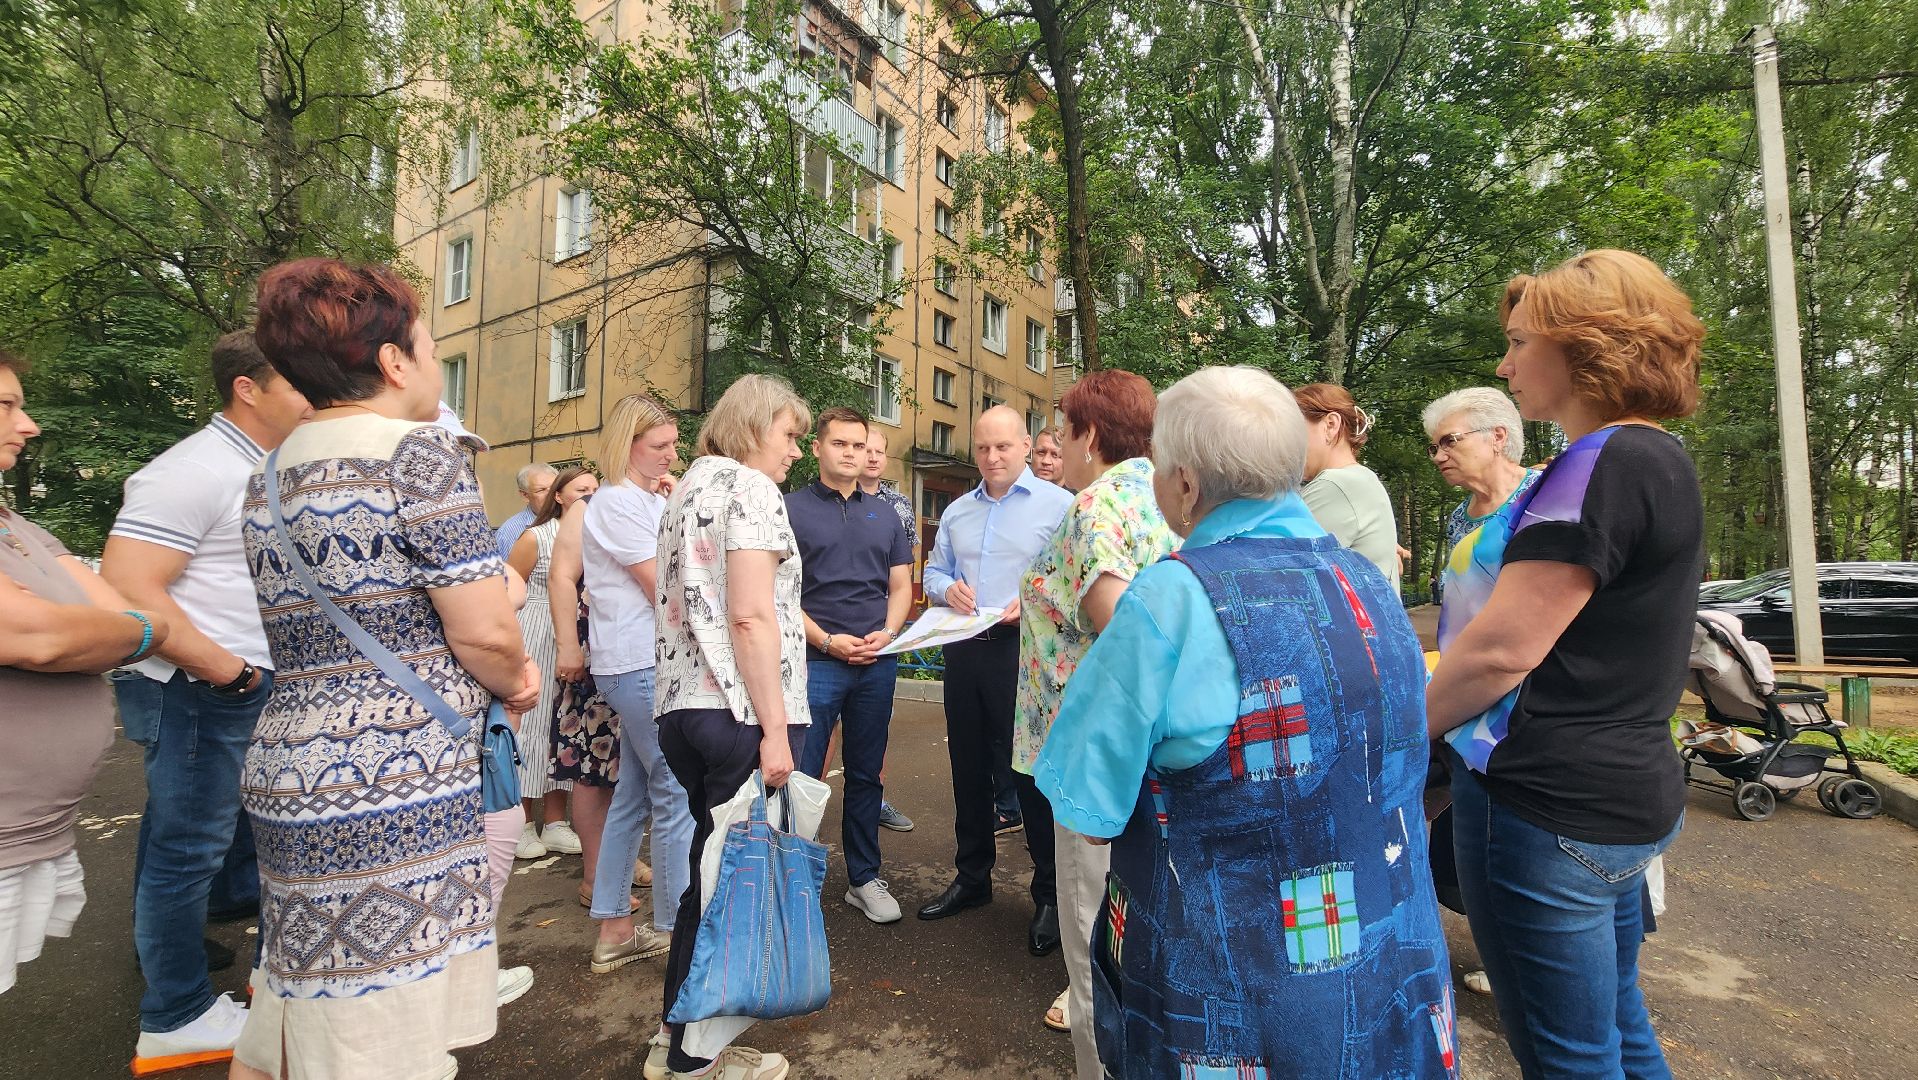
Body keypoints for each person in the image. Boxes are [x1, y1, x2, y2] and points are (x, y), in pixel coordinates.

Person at [1033, 365, 1456, 1079]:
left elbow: (1085, 797)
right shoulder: (1371, 585)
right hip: (1389, 977)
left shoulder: (1170, 599)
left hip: (1230, 1010)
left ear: (1186, 485)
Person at [230, 257, 540, 1080]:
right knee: (384, 1040)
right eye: (430, 348)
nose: (434, 366)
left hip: (291, 768)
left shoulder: (269, 473)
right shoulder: (419, 456)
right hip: (392, 777)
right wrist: (517, 680)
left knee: (296, 1014)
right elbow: (484, 631)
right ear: (395, 362)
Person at [1427, 249, 1705, 1080]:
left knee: (1567, 1058)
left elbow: (1504, 649)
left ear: (1587, 345)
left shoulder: (1594, 465)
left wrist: (1393, 728)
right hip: (1621, 795)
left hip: (1548, 806)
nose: (1505, 366)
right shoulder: (1657, 456)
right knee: (1618, 1031)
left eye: (1519, 343)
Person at [100, 331, 311, 1073]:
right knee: (186, 850)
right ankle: (176, 1013)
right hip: (201, 689)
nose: (313, 393)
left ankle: (175, 970)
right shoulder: (193, 469)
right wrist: (230, 673)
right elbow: (128, 586)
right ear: (247, 388)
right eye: (296, 380)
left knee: (183, 840)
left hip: (221, 686)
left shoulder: (257, 465)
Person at [1012, 370, 1177, 1073]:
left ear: (1086, 434)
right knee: (1138, 925)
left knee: (1090, 937)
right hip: (1151, 750)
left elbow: (1121, 630)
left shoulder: (1096, 505)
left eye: (1063, 429)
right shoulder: (1167, 496)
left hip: (1094, 752)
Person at [653, 373, 812, 1080]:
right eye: (789, 436)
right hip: (741, 711)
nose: (795, 453)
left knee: (707, 876)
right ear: (754, 428)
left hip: (683, 708)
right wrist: (775, 732)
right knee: (736, 891)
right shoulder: (750, 488)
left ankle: (677, 1039)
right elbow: (751, 614)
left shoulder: (686, 487)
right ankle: (696, 1058)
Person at [2, 350, 170, 1000]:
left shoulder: (15, 525)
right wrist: (138, 633)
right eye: (7, 407)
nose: (30, 424)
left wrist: (122, 631)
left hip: (24, 834)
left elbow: (113, 612)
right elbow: (40, 636)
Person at [916, 406, 1072, 956]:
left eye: (1003, 447)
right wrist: (943, 589)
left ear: (1026, 446)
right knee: (968, 763)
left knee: (1029, 773)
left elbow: (1070, 578)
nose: (992, 458)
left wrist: (1028, 599)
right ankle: (973, 876)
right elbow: (933, 571)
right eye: (983, 448)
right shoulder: (958, 510)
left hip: (1025, 653)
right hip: (965, 646)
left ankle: (1050, 894)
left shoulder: (1061, 505)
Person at [788, 408, 913, 924]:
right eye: (840, 443)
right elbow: (777, 594)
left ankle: (862, 877)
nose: (851, 454)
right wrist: (828, 640)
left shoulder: (885, 514)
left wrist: (887, 633)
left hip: (875, 663)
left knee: (866, 773)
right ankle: (792, 879)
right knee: (802, 774)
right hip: (817, 661)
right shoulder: (787, 509)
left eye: (859, 446)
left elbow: (902, 586)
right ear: (817, 448)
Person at [584, 394, 696, 973]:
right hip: (638, 659)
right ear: (627, 446)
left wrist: (677, 501)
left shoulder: (649, 500)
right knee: (675, 790)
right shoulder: (615, 503)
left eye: (673, 445)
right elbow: (665, 589)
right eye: (660, 447)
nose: (671, 456)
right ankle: (678, 930)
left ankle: (613, 927)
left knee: (632, 794)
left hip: (643, 660)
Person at [505, 466, 596, 860]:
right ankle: (523, 822)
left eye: (596, 488)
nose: (590, 495)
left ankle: (557, 821)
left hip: (578, 631)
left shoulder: (594, 535)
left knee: (565, 725)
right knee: (534, 725)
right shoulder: (534, 537)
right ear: (559, 496)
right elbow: (507, 589)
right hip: (539, 628)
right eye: (581, 489)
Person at [857, 425, 916, 835]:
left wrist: (894, 626)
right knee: (818, 729)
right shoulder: (821, 497)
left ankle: (875, 799)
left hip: (881, 624)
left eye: (880, 451)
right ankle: (808, 795)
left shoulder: (898, 505)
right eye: (866, 449)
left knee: (874, 726)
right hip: (831, 624)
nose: (873, 457)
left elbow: (905, 568)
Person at [1293, 383, 1401, 591]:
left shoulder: (1335, 485)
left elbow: (1283, 569)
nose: (1288, 446)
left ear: (1331, 425)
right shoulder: (1361, 480)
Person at [1422, 387, 1538, 556]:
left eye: (1450, 440)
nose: (1438, 457)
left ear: (1497, 437)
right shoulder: (1459, 519)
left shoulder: (1548, 490)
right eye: (1435, 448)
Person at [497, 462, 557, 559]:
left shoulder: (571, 521)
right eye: (541, 490)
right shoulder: (509, 532)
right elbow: (506, 572)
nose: (550, 494)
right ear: (525, 495)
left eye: (554, 488)